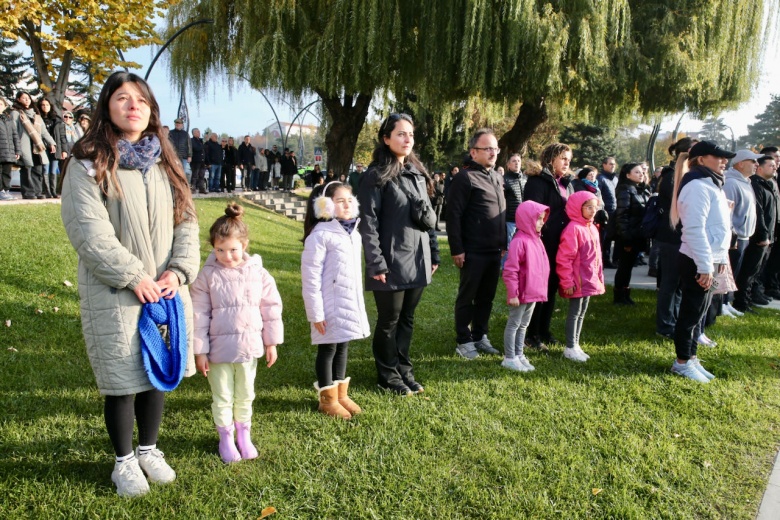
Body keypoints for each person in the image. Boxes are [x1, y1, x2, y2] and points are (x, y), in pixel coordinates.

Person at [60, 71, 200, 496]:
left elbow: (187, 222)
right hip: (116, 290)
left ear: (151, 109)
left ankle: (149, 449)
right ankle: (123, 461)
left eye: (140, 99)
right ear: (107, 107)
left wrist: (177, 271)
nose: (133, 105)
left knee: (157, 370)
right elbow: (89, 232)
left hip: (166, 288)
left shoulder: (167, 162)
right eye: (122, 98)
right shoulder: (88, 164)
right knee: (122, 378)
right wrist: (133, 276)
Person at [190, 203, 283, 463]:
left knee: (245, 393)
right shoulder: (206, 277)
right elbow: (199, 315)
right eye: (220, 249)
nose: (227, 256)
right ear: (212, 247)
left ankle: (244, 433)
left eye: (232, 249)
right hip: (218, 352)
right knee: (222, 396)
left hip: (249, 347)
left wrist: (271, 342)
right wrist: (200, 350)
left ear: (244, 245)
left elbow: (271, 307)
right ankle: (225, 437)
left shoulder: (258, 273)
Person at [358, 113, 440, 395]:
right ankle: (388, 374)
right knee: (389, 320)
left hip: (419, 259)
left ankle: (404, 369)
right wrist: (376, 262)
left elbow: (427, 218)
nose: (408, 139)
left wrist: (435, 254)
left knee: (407, 318)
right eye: (401, 134)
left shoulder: (417, 173)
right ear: (386, 138)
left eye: (411, 135)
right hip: (391, 261)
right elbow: (367, 223)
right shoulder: (375, 176)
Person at [301, 181, 369, 419]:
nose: (347, 205)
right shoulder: (320, 236)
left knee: (343, 346)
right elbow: (310, 279)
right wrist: (316, 314)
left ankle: (341, 394)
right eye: (340, 201)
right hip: (328, 307)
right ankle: (327, 400)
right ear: (326, 205)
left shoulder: (354, 234)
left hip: (347, 304)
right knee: (328, 348)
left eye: (350, 200)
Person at [669, 141, 734, 383]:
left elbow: (716, 227)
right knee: (690, 314)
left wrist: (720, 258)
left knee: (699, 314)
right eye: (718, 156)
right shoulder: (697, 186)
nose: (724, 161)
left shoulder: (711, 183)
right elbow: (694, 230)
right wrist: (705, 266)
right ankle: (682, 362)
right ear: (700, 159)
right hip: (697, 259)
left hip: (710, 258)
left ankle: (691, 357)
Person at [447, 128, 506, 359]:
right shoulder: (465, 177)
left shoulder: (497, 177)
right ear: (473, 152)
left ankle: (480, 335)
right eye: (487, 148)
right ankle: (463, 340)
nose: (493, 152)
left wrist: (503, 244)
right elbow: (453, 215)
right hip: (472, 250)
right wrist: (457, 249)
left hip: (494, 250)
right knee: (467, 296)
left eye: (495, 148)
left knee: (486, 297)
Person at [522, 143, 574, 351]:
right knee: (538, 289)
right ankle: (531, 334)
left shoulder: (566, 182)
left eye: (569, 158)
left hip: (561, 244)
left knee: (551, 288)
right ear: (551, 158)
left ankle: (544, 330)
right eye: (563, 157)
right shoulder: (537, 181)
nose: (567, 162)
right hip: (543, 243)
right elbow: (533, 213)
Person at [501, 200, 549, 372]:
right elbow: (510, 270)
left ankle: (519, 353)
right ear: (527, 219)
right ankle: (509, 357)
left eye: (543, 219)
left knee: (523, 325)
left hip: (532, 292)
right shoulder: (518, 241)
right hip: (520, 293)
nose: (542, 222)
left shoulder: (537, 240)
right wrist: (512, 293)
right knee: (514, 324)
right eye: (538, 219)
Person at [557, 191, 605, 362]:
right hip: (577, 281)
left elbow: (596, 257)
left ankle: (576, 344)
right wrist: (567, 281)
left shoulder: (591, 227)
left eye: (595, 207)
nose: (593, 211)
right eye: (588, 207)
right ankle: (570, 347)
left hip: (588, 279)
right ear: (578, 208)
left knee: (582, 312)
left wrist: (598, 277)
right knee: (574, 312)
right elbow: (564, 259)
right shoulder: (573, 229)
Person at [655, 137, 694, 339]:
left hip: (681, 237)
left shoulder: (688, 175)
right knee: (669, 284)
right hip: (671, 238)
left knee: (679, 284)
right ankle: (664, 326)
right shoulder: (671, 176)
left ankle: (674, 319)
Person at [733, 153, 777, 313]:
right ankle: (741, 302)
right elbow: (758, 213)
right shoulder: (755, 185)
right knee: (748, 272)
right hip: (756, 237)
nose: (775, 167)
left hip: (766, 236)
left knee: (755, 271)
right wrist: (763, 235)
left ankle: (747, 299)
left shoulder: (767, 184)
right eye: (771, 165)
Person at [723, 149, 762, 314]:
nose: (756, 165)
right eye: (753, 161)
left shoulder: (746, 182)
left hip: (744, 235)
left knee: (735, 272)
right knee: (728, 271)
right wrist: (732, 236)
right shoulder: (731, 183)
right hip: (736, 237)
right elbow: (728, 212)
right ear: (740, 164)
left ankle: (727, 303)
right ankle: (722, 303)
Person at [612, 163, 649, 304]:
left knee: (629, 266)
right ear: (628, 175)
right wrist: (626, 238)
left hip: (637, 234)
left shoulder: (638, 189)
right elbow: (622, 215)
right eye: (637, 172)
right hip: (627, 235)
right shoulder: (625, 190)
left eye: (642, 172)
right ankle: (619, 296)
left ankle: (625, 294)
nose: (641, 174)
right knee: (624, 266)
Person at [11, 91, 56, 200]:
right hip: (24, 144)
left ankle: (38, 191)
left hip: (37, 146)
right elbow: (13, 130)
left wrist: (52, 143)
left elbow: (44, 132)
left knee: (38, 169)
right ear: (18, 99)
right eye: (24, 98)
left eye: (28, 98)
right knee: (26, 169)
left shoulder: (36, 115)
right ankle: (28, 192)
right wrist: (16, 147)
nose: (27, 100)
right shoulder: (16, 113)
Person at [502, 153, 526, 266]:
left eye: (518, 161)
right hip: (510, 218)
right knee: (508, 245)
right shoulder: (504, 180)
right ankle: (506, 267)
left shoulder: (525, 179)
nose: (517, 163)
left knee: (520, 245)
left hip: (523, 220)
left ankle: (518, 266)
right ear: (508, 165)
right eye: (514, 161)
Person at [597, 156, 619, 267]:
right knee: (604, 238)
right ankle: (603, 259)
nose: (612, 166)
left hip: (615, 212)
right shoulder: (600, 179)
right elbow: (598, 195)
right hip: (606, 212)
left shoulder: (615, 179)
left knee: (610, 237)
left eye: (614, 164)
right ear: (604, 165)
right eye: (610, 164)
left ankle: (609, 259)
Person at [38, 97, 61, 197]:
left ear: (50, 106)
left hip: (54, 147)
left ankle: (53, 191)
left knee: (53, 170)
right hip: (44, 147)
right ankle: (47, 192)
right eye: (43, 105)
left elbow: (61, 136)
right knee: (45, 169)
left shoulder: (55, 119)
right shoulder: (38, 118)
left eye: (47, 105)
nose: (45, 107)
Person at [0, 97, 20, 201]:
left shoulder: (9, 120)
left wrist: (17, 150)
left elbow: (15, 136)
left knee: (7, 172)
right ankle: (1, 191)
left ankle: (6, 191)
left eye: (0, 104)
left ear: (4, 106)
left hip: (8, 152)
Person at [168, 118, 192, 186]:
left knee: (187, 172)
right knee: (174, 171)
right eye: (176, 123)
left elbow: (189, 145)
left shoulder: (185, 134)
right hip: (174, 156)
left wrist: (189, 155)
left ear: (182, 125)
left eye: (179, 124)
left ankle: (186, 185)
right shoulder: (171, 133)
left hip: (184, 156)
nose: (178, 125)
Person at [190, 128, 207, 193]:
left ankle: (201, 188)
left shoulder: (200, 141)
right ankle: (193, 188)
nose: (199, 133)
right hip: (195, 161)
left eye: (199, 132)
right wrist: (202, 147)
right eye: (197, 132)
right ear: (194, 133)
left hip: (202, 161)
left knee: (202, 175)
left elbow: (204, 150)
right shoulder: (192, 140)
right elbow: (196, 148)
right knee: (195, 175)